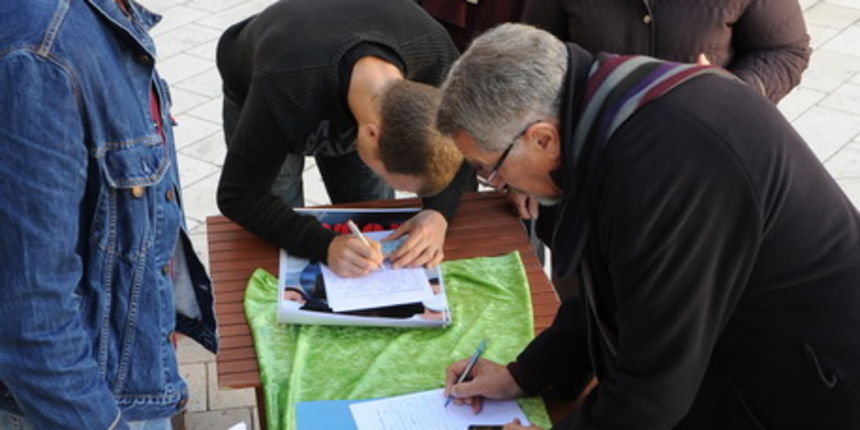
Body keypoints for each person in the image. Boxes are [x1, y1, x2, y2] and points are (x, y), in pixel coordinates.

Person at [437, 24, 860, 429]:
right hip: (740, 357)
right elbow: (617, 292)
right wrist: (526, 373)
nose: (499, 184)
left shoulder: (666, 163)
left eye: (489, 170)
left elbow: (655, 384)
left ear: (542, 138)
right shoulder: (602, 106)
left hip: (813, 387)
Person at [0, 0, 218, 428]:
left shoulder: (100, 18)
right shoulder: (40, 51)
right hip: (88, 405)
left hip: (129, 372)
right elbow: (31, 311)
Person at [216, 0, 473, 278]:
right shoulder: (283, 88)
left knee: (369, 205)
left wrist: (439, 212)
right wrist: (325, 245)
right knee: (281, 214)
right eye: (390, 178)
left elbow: (466, 144)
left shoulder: (436, 59)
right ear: (372, 134)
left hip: (341, 66)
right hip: (272, 76)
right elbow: (239, 196)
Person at [521, 0, 810, 104]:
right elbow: (532, 57)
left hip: (705, 153)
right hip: (594, 159)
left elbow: (784, 50)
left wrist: (732, 91)